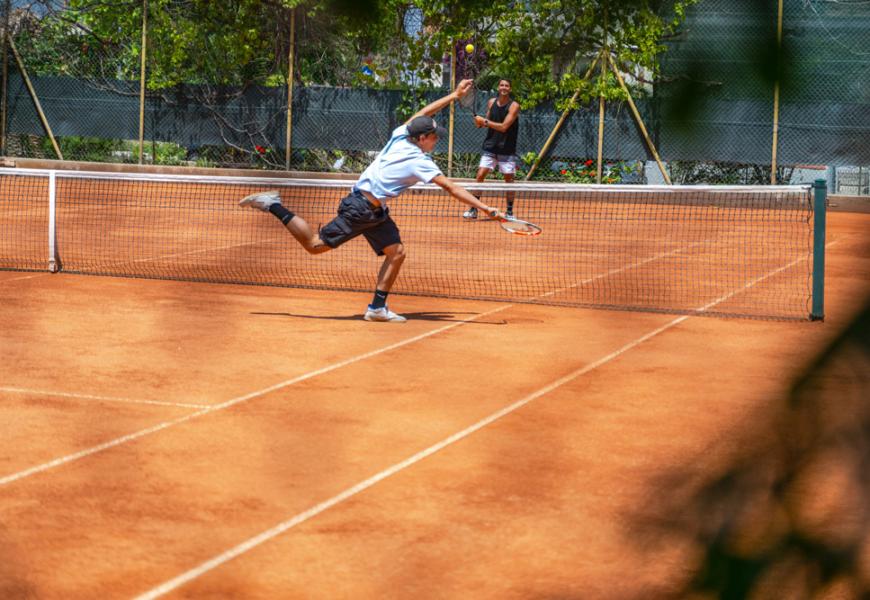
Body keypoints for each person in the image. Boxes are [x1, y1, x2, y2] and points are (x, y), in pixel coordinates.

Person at [239, 79, 500, 323]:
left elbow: (422, 113)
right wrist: (484, 207)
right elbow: (451, 187)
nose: (437, 139)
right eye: (433, 136)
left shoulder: (401, 134)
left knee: (396, 253)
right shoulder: (419, 161)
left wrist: (454, 96)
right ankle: (272, 203)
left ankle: (377, 308)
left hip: (375, 211)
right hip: (360, 209)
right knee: (315, 245)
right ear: (421, 139)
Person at [463, 78, 521, 220]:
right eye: (501, 85)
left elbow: (504, 127)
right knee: (480, 176)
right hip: (490, 147)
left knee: (509, 180)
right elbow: (485, 123)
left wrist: (485, 122)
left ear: (510, 89)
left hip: (507, 149)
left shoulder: (514, 106)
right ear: (498, 87)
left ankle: (509, 212)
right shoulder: (491, 102)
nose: (504, 87)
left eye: (507, 85)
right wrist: (479, 122)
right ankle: (473, 209)